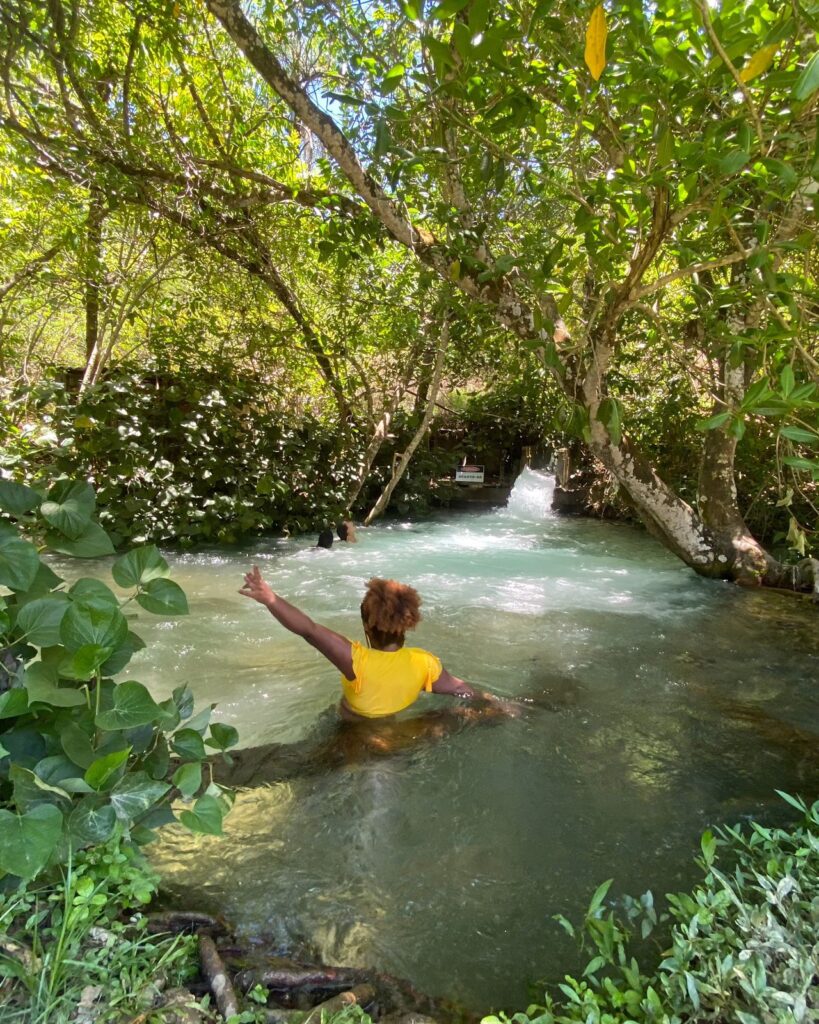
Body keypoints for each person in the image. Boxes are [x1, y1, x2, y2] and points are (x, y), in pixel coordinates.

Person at [238, 569, 504, 720]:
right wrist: (492, 702)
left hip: (351, 733)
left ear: (367, 626)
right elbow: (463, 690)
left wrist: (270, 599)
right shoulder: (424, 662)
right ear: (408, 623)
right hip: (393, 735)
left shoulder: (356, 661)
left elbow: (308, 629)